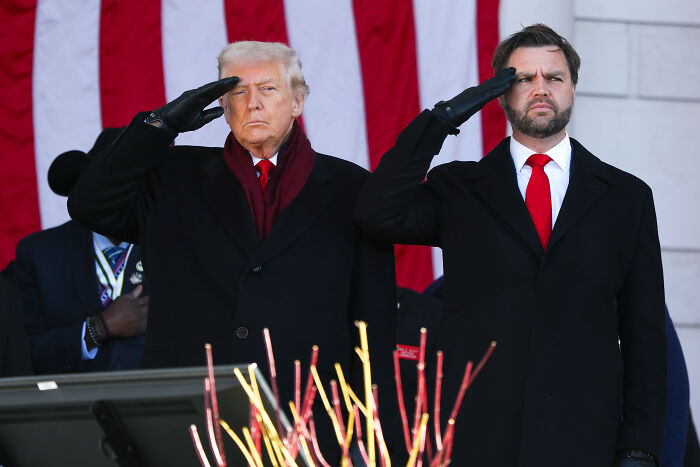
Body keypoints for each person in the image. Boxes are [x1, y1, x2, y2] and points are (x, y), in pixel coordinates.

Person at [355, 24, 666, 466]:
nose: (541, 89)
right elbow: (376, 212)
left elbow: (645, 334)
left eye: (554, 78)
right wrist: (439, 121)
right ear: (499, 94)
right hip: (475, 440)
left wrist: (640, 448)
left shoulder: (626, 197)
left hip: (584, 442)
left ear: (573, 89)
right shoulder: (459, 189)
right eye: (523, 78)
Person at [67, 41, 396, 458]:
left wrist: (371, 431)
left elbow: (373, 325)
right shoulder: (171, 176)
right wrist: (158, 128)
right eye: (238, 92)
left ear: (298, 100)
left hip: (310, 421)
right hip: (187, 415)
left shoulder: (354, 188)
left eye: (268, 90)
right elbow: (88, 205)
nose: (252, 104)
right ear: (222, 105)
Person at [13, 129, 148, 374]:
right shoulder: (40, 253)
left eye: (135, 181)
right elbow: (20, 353)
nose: (122, 193)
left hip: (163, 404)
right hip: (69, 407)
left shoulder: (178, 247)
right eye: (111, 182)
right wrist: (98, 328)